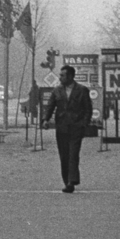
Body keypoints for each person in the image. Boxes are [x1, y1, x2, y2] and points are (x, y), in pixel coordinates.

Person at [42, 65, 92, 193]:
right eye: (60, 75)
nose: (60, 78)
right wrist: (45, 120)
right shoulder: (57, 91)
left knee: (73, 154)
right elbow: (50, 106)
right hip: (62, 128)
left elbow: (88, 109)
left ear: (70, 76)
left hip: (76, 127)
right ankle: (67, 182)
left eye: (62, 75)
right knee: (64, 156)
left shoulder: (82, 90)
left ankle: (72, 180)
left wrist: (84, 124)